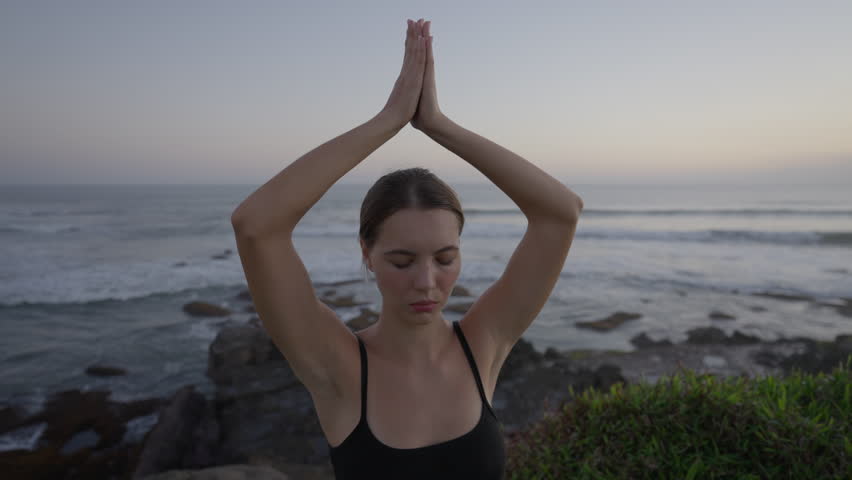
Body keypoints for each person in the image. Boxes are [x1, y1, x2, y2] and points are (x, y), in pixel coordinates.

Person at [230, 17, 583, 480]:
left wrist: (439, 124)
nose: (426, 282)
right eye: (401, 260)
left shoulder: (483, 343)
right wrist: (388, 121)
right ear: (366, 254)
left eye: (444, 258)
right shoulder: (338, 366)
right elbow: (256, 225)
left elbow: (561, 213)